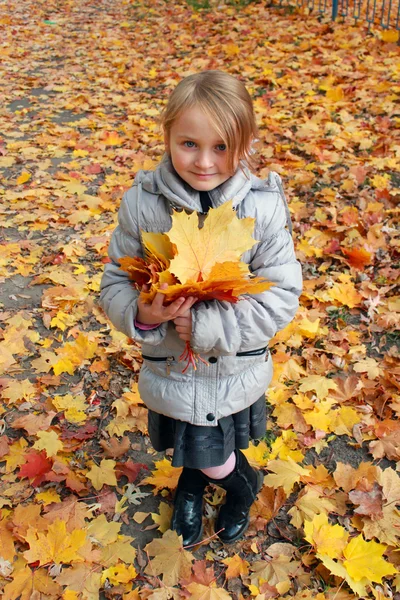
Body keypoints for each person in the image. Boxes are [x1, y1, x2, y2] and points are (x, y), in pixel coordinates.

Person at [99, 70, 303, 546]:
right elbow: (114, 281)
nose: (205, 162)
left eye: (221, 147)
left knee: (217, 449)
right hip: (172, 371)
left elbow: (279, 297)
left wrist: (205, 322)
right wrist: (143, 315)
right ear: (168, 135)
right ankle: (194, 482)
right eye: (189, 143)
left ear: (245, 144)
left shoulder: (263, 208)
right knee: (190, 443)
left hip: (232, 367)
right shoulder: (144, 205)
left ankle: (238, 487)